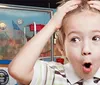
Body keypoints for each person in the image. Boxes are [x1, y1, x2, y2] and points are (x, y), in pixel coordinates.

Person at [8, 0, 100, 85]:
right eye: (75, 39)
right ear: (62, 48)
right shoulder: (53, 75)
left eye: (96, 38)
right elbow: (18, 70)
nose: (86, 49)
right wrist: (52, 24)